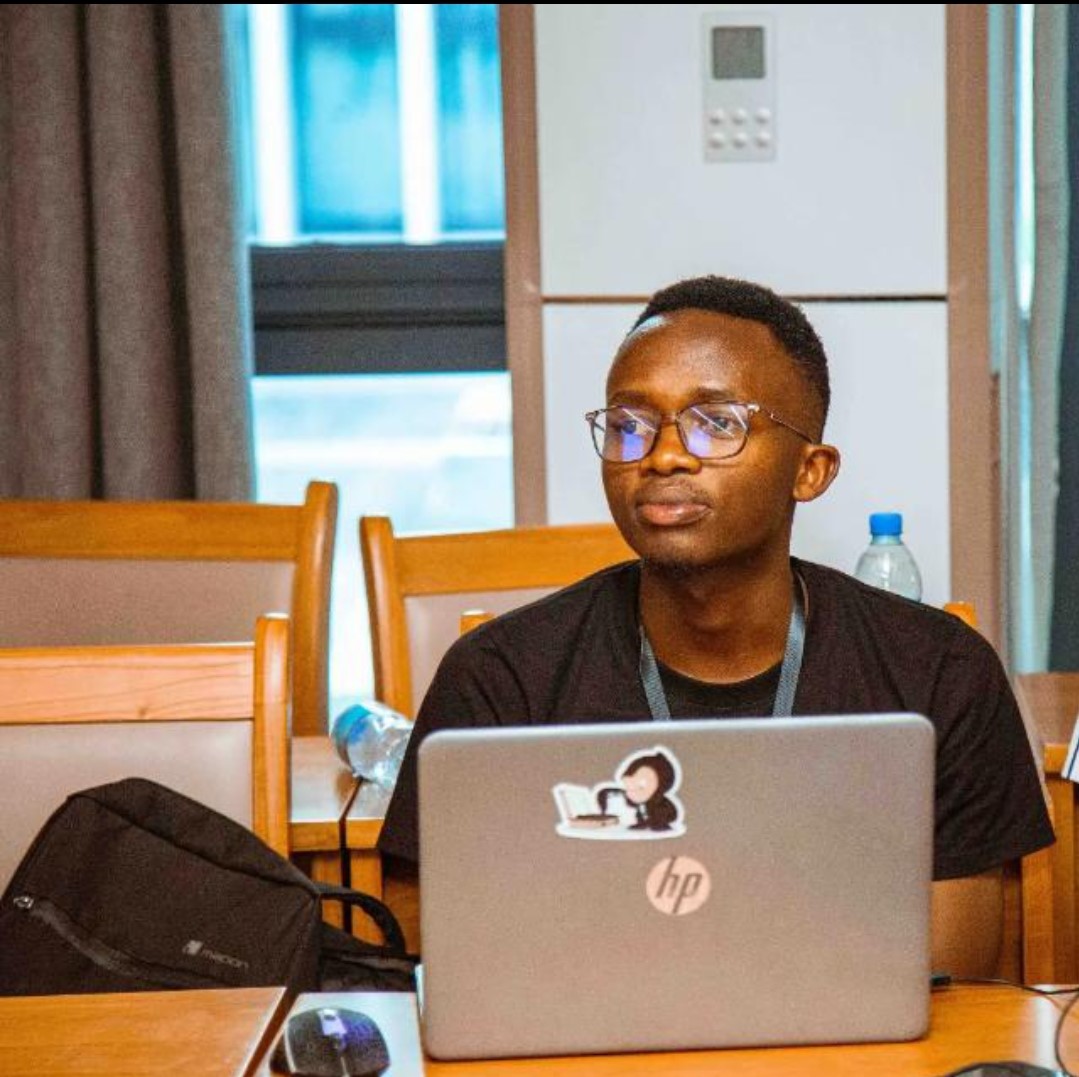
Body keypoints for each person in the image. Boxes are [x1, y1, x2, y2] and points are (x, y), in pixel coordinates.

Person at [379, 274, 1054, 975]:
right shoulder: (500, 682)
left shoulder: (938, 674)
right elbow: (445, 969)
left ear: (810, 470)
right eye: (629, 425)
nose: (663, 455)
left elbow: (955, 981)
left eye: (717, 423)